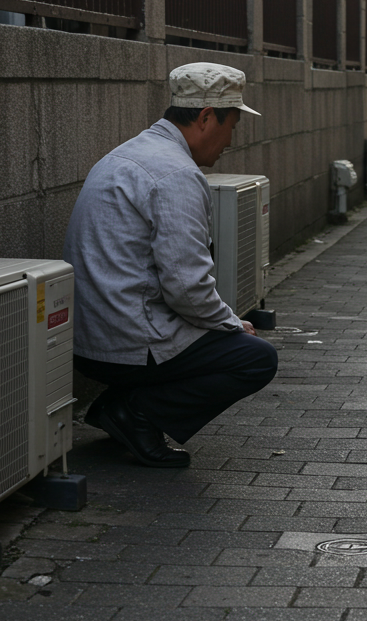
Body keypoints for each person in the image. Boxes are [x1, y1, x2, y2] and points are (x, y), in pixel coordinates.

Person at [63, 63, 279, 468]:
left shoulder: (130, 152)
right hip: (126, 343)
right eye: (231, 125)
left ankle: (119, 404)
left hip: (89, 339)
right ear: (205, 118)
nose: (230, 140)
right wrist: (232, 323)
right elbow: (187, 288)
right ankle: (135, 414)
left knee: (226, 339)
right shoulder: (176, 173)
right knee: (255, 357)